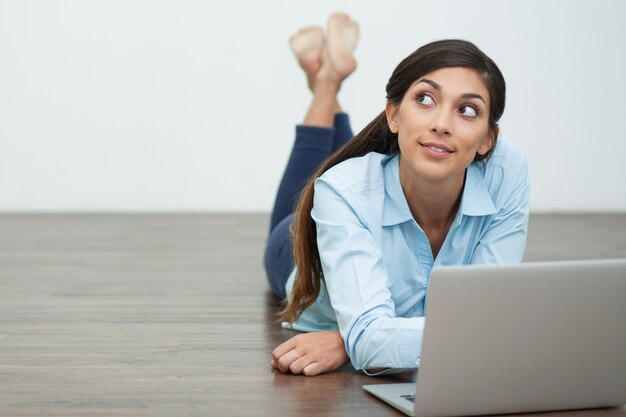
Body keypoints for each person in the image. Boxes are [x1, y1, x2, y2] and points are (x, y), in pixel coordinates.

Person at [264, 12, 530, 377]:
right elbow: (485, 325)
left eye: (467, 110)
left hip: (362, 197)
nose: (441, 124)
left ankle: (328, 74)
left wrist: (351, 340)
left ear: (488, 138)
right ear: (393, 115)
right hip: (297, 251)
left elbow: (485, 310)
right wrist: (364, 337)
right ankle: (326, 82)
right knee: (321, 184)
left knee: (354, 177)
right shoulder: (342, 190)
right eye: (425, 99)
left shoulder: (507, 169)